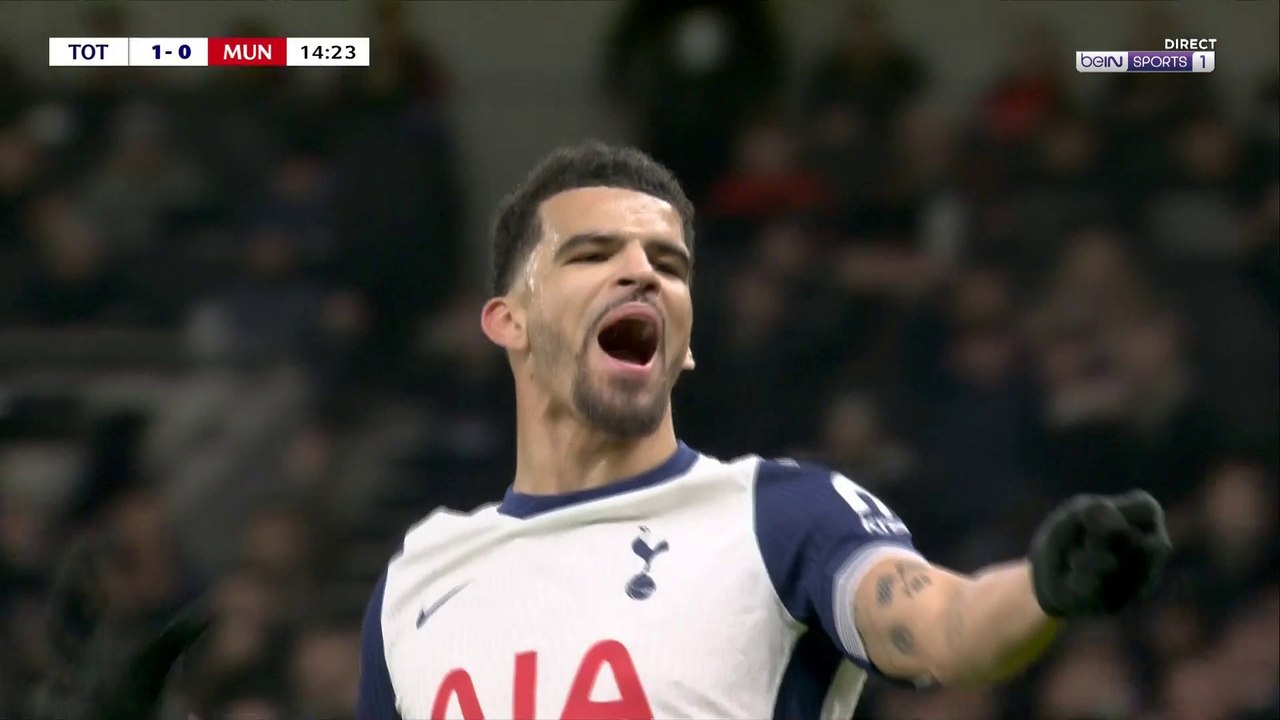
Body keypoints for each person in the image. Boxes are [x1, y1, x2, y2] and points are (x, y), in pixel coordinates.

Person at [353, 142, 1170, 719]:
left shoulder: (777, 516)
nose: (641, 271)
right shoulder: (416, 584)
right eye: (593, 254)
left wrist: (1042, 589)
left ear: (687, 340)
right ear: (510, 322)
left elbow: (942, 628)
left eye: (668, 265)